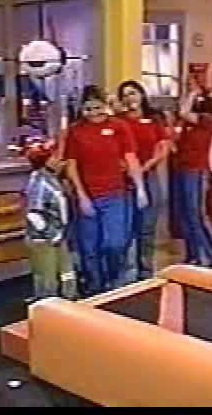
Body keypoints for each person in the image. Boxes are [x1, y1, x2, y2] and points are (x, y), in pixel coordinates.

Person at [64, 85, 148, 295]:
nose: (94, 113)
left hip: (115, 195)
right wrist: (82, 196)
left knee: (115, 243)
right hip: (87, 195)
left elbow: (130, 158)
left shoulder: (119, 127)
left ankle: (113, 279)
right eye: (88, 109)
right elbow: (71, 166)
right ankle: (95, 288)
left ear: (105, 106)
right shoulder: (75, 131)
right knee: (89, 248)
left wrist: (140, 188)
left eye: (98, 108)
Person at [116, 80, 171, 281]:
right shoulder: (119, 121)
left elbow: (163, 147)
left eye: (133, 93)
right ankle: (125, 273)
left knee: (147, 227)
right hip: (124, 179)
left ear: (141, 94)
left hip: (149, 176)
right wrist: (129, 169)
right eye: (125, 95)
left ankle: (146, 272)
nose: (129, 98)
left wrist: (144, 167)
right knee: (127, 228)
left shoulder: (154, 118)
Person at [172, 90, 212, 269]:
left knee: (196, 215)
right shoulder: (187, 124)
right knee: (185, 215)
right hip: (181, 169)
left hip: (196, 171)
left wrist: (191, 93)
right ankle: (194, 256)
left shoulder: (208, 119)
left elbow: (184, 112)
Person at [22, 138, 78, 301]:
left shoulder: (53, 179)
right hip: (44, 239)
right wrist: (52, 234)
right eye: (57, 158)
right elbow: (34, 215)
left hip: (58, 235)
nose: (62, 162)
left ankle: (70, 300)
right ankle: (48, 305)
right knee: (48, 279)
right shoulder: (39, 182)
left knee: (67, 273)